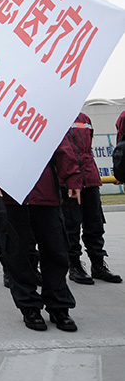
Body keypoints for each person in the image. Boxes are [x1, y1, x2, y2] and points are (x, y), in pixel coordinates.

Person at [0, 142, 82, 331]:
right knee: (16, 255)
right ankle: (29, 307)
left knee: (56, 251)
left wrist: (72, 177)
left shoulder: (40, 114)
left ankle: (59, 306)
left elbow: (62, 146)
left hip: (46, 193)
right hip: (10, 196)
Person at [62, 112, 121, 284]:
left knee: (95, 224)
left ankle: (98, 265)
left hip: (89, 177)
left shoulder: (84, 119)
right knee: (71, 226)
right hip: (67, 182)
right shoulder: (55, 117)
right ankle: (74, 266)